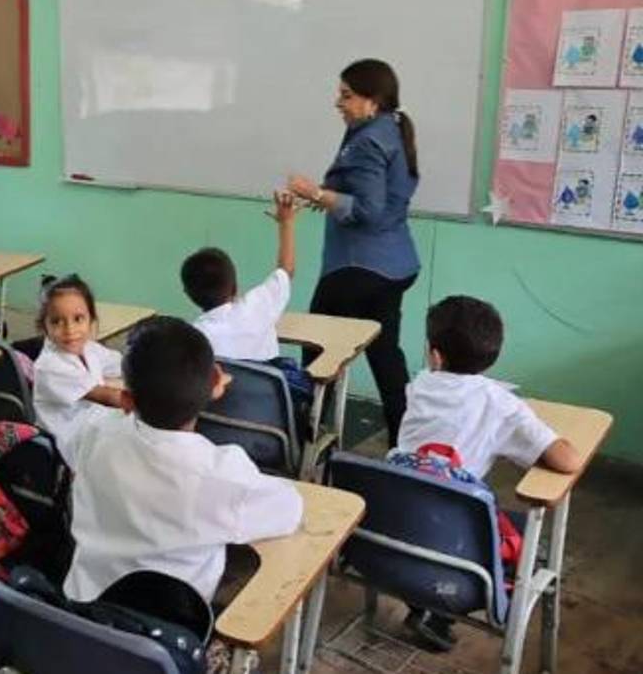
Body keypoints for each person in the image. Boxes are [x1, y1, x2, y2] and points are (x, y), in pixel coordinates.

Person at [63, 316, 302, 604]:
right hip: (170, 625)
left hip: (81, 606)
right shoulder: (223, 474)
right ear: (216, 381)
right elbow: (290, 509)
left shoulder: (94, 431)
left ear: (125, 399)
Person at [393, 294, 579, 650]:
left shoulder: (418, 387)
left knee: (439, 503)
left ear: (434, 355)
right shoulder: (500, 404)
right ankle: (444, 605)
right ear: (492, 356)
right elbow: (566, 460)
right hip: (455, 542)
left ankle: (427, 608)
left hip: (395, 522)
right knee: (526, 536)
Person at [285, 58, 420, 442]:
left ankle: (307, 443)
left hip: (359, 266)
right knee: (385, 353)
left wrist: (316, 193)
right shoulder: (389, 129)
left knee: (318, 350)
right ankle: (404, 443)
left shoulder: (368, 141)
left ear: (372, 101)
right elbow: (373, 198)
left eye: (346, 96)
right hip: (394, 264)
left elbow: (369, 211)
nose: (338, 103)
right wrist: (330, 199)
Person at [181, 191, 298, 360]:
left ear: (188, 294)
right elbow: (287, 270)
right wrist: (286, 222)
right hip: (267, 379)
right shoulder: (258, 306)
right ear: (235, 286)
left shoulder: (195, 338)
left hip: (224, 379)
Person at [31, 275, 124, 465]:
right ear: (44, 327)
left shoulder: (89, 348)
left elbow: (124, 364)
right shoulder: (49, 365)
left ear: (91, 320)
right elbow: (109, 398)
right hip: (73, 438)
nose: (70, 329)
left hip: (94, 421)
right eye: (57, 322)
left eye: (78, 319)